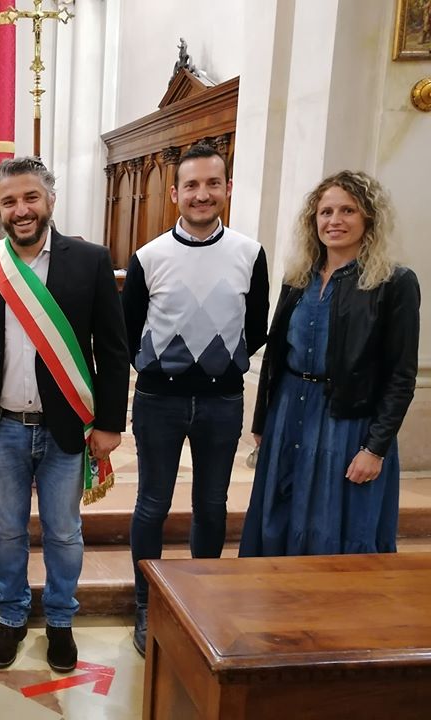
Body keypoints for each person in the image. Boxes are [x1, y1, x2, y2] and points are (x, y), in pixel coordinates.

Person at [0, 157, 130, 673]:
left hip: (67, 427)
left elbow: (114, 349)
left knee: (64, 531)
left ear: (50, 199)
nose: (21, 209)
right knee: (6, 530)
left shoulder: (90, 260)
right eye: (9, 201)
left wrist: (111, 423)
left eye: (30, 197)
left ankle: (59, 620)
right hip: (2, 425)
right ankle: (11, 617)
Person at [121, 143, 269, 657]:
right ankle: (147, 604)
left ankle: (201, 599)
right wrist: (161, 368)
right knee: (153, 504)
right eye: (191, 186)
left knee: (212, 504)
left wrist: (215, 367)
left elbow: (257, 327)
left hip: (221, 403)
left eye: (212, 184)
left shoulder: (250, 254)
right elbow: (127, 328)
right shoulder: (149, 256)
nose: (201, 195)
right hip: (159, 402)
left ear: (228, 188)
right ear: (175, 193)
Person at [240, 171, 420, 558]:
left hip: (348, 419)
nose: (334, 220)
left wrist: (375, 448)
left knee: (334, 521)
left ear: (368, 218)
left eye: (347, 210)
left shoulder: (394, 282)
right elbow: (275, 354)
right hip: (290, 409)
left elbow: (401, 375)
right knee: (279, 513)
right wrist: (262, 421)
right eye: (325, 212)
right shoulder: (298, 277)